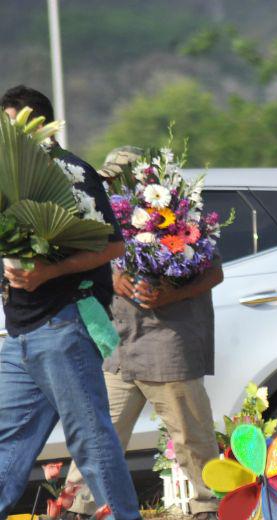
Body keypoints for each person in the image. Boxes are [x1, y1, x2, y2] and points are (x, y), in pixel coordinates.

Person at [0, 86, 142, 520]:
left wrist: (46, 272)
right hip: (19, 332)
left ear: (39, 126)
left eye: (11, 124)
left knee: (91, 440)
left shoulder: (73, 173)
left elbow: (112, 247)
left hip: (63, 325)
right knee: (7, 436)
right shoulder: (9, 174)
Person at [63, 147, 224, 520]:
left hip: (169, 345)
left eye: (118, 178)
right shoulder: (95, 213)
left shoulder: (178, 217)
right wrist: (112, 276)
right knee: (98, 436)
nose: (110, 184)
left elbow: (214, 272)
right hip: (116, 345)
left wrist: (173, 292)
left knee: (192, 438)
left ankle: (208, 508)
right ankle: (78, 509)